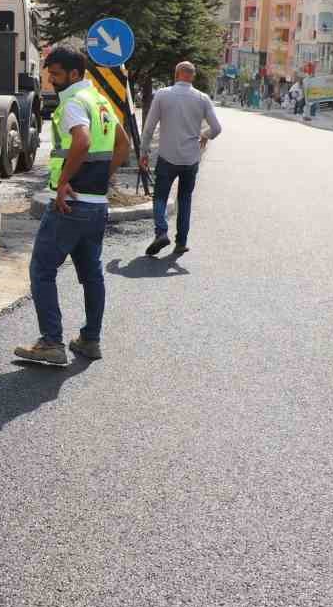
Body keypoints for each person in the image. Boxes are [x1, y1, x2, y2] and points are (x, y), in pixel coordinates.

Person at [14, 45, 130, 366]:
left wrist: (65, 181)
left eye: (56, 75)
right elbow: (123, 144)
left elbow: (82, 142)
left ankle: (51, 342)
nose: (51, 82)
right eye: (50, 75)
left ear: (75, 74)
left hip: (70, 205)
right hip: (95, 206)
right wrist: (100, 177)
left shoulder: (74, 104)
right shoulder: (100, 102)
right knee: (91, 274)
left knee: (41, 269)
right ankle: (90, 340)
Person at [140, 61, 222, 257]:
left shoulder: (162, 94)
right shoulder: (202, 98)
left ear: (176, 74)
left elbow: (150, 126)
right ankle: (181, 242)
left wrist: (144, 151)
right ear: (192, 76)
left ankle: (161, 232)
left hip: (167, 157)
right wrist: (205, 135)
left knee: (160, 196)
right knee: (184, 199)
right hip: (190, 159)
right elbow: (217, 128)